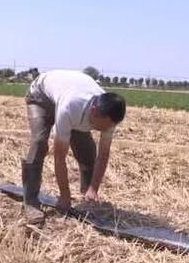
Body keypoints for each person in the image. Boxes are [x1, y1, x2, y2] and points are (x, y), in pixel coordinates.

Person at [21, 70, 126, 225]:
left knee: (88, 151)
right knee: (39, 142)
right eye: (101, 127)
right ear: (94, 112)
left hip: (71, 96)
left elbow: (103, 155)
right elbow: (59, 157)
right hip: (41, 96)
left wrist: (94, 188)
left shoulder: (109, 114)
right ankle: (30, 201)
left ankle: (88, 197)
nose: (105, 131)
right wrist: (65, 195)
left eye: (108, 127)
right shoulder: (69, 108)